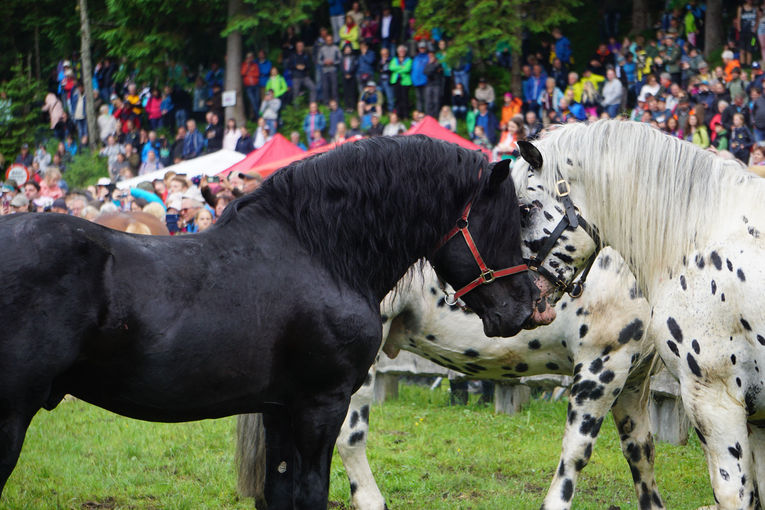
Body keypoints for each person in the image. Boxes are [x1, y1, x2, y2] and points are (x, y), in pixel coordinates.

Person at [390, 45, 412, 119]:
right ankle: (398, 115)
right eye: (400, 51)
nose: (401, 52)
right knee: (397, 98)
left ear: (405, 52)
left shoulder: (408, 60)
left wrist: (397, 69)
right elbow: (391, 67)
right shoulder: (394, 59)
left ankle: (406, 115)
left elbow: (407, 69)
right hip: (396, 81)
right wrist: (401, 67)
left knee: (405, 99)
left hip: (405, 82)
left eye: (403, 51)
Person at [319, 34, 341, 105]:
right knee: (325, 88)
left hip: (333, 70)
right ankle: (327, 105)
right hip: (325, 71)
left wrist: (333, 62)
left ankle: (336, 104)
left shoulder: (336, 48)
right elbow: (318, 60)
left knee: (334, 89)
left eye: (330, 40)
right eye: (327, 40)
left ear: (332, 40)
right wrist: (324, 62)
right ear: (325, 41)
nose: (329, 41)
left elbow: (340, 59)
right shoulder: (322, 49)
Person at [241, 52, 261, 120]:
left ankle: (257, 116)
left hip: (256, 85)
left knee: (257, 100)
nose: (250, 59)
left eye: (251, 57)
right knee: (253, 101)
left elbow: (257, 74)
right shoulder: (243, 64)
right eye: (249, 57)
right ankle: (258, 117)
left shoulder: (255, 65)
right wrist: (247, 66)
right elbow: (243, 73)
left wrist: (249, 73)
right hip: (248, 86)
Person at [423, 49, 443, 118]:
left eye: (432, 55)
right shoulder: (427, 64)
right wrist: (432, 67)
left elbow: (435, 70)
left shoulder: (438, 64)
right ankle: (428, 117)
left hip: (436, 84)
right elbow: (425, 72)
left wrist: (431, 67)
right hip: (429, 85)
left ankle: (436, 116)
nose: (430, 57)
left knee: (436, 101)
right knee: (428, 102)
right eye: (429, 55)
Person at [341, 44, 359, 111]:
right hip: (344, 76)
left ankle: (352, 107)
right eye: (346, 49)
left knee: (352, 92)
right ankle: (347, 106)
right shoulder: (342, 57)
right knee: (346, 92)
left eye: (349, 49)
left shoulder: (354, 57)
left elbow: (354, 66)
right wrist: (345, 74)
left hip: (352, 76)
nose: (348, 50)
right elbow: (341, 67)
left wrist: (350, 73)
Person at [378, 47, 395, 113]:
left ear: (388, 54)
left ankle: (391, 112)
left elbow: (390, 70)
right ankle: (381, 111)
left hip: (388, 81)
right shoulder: (380, 61)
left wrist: (383, 70)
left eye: (385, 54)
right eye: (382, 54)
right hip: (381, 81)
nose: (384, 55)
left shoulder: (391, 60)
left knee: (390, 98)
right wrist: (382, 64)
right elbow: (378, 69)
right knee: (380, 97)